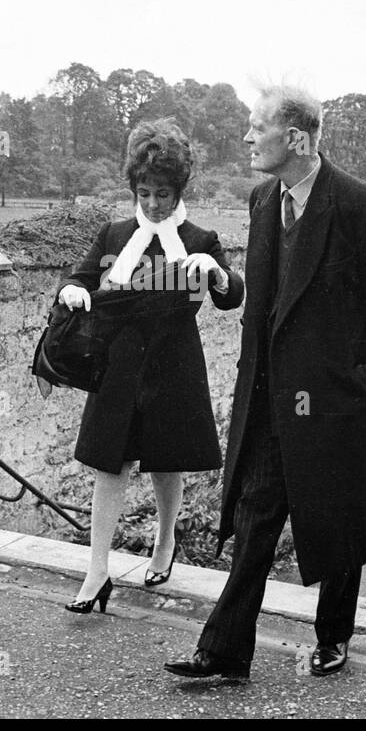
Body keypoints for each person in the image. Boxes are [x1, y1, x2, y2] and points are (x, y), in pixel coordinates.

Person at [165, 85, 366, 678]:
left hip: (335, 402)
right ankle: (225, 650)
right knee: (255, 518)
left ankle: (334, 636)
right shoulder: (261, 201)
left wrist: (358, 380)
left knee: (339, 517)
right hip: (270, 397)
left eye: (258, 128)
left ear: (296, 139)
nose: (248, 138)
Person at [57, 118, 244, 614]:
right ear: (134, 189)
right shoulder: (114, 234)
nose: (154, 204)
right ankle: (97, 571)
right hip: (118, 369)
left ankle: (165, 542)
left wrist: (218, 274)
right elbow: (77, 277)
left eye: (163, 193)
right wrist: (73, 290)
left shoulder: (200, 238)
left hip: (174, 366)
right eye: (145, 193)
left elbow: (233, 298)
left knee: (167, 462)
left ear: (178, 189)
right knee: (108, 465)